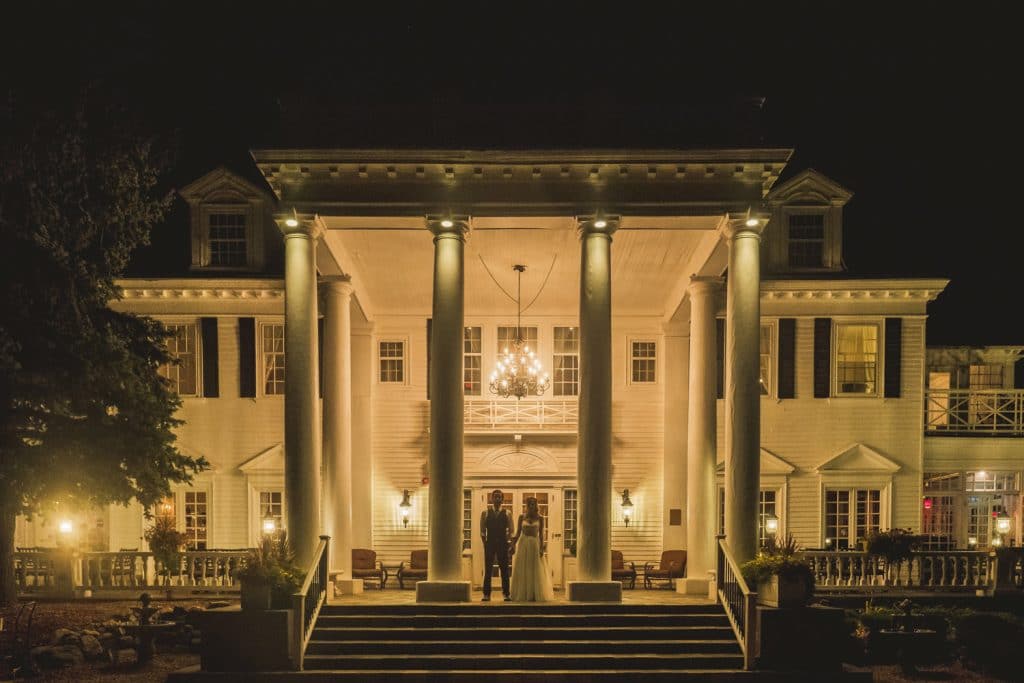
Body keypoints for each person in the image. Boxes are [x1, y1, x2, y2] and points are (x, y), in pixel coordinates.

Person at [509, 497, 554, 602]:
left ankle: (534, 593)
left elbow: (542, 534)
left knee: (535, 568)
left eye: (533, 504)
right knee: (523, 568)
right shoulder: (522, 517)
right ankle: (523, 593)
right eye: (529, 504)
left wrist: (542, 547)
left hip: (534, 543)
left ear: (536, 505)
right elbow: (518, 532)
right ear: (527, 505)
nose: (531, 506)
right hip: (523, 544)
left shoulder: (540, 518)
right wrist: (513, 544)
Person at [479, 489, 513, 602]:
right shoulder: (485, 513)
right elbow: (482, 531)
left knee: (504, 570)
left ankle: (506, 594)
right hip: (490, 543)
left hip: (503, 543)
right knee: (488, 570)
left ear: (502, 499)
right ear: (491, 499)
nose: (497, 499)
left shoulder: (507, 513)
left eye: (499, 497)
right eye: (495, 497)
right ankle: (486, 594)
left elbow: (511, 530)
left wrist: (510, 544)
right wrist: (485, 543)